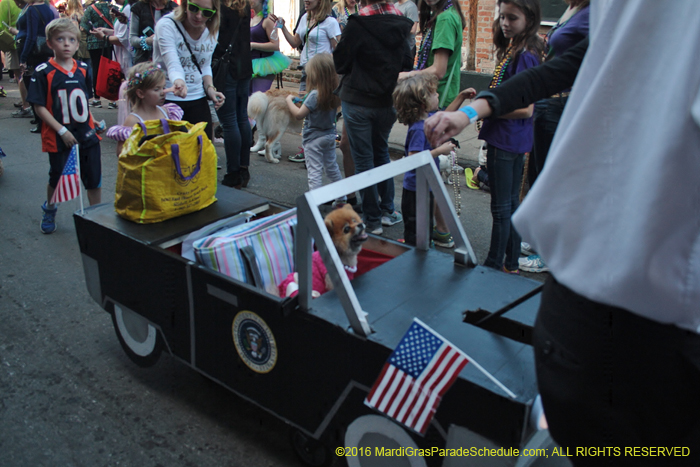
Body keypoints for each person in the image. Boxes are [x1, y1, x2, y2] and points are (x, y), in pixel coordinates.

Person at [426, 1, 700, 460]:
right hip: (616, 311)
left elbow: (569, 66)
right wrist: (473, 111)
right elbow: (575, 63)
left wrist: (474, 111)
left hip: (636, 308)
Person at [517, 0, 588, 274]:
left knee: (551, 180)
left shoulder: (591, 13)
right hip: (547, 101)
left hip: (561, 103)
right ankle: (538, 241)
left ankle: (550, 254)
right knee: (537, 176)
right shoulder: (573, 9)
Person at [332, 0, 412, 236]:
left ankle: (372, 219)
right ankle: (387, 210)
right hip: (388, 100)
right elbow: (407, 62)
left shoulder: (357, 23)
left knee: (364, 159)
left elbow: (340, 62)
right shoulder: (401, 22)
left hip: (358, 99)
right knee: (381, 152)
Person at [478, 0, 543, 273]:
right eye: (502, 16)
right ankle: (511, 262)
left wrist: (489, 110)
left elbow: (526, 109)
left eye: (512, 18)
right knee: (510, 204)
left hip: (508, 139)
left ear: (529, 19)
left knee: (502, 207)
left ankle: (495, 264)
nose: (505, 23)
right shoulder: (515, 48)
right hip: (508, 137)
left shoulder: (524, 54)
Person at [26, 18, 104, 234]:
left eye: (71, 40)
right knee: (58, 175)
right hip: (59, 134)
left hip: (86, 133)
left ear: (78, 44)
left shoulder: (84, 68)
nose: (67, 44)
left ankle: (95, 215)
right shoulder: (43, 72)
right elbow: (39, 107)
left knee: (93, 177)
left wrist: (92, 117)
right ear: (50, 43)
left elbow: (83, 101)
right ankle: (50, 208)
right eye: (60, 39)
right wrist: (61, 130)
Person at [393, 74, 476, 245]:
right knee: (416, 226)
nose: (437, 95)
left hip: (426, 184)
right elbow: (413, 159)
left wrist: (461, 97)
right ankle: (415, 251)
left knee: (424, 224)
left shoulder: (427, 118)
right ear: (423, 104)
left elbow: (447, 114)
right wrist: (439, 151)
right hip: (416, 188)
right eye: (433, 93)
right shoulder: (418, 128)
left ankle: (423, 246)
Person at [270, 0, 340, 163]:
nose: (306, 1)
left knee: (325, 110)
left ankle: (324, 148)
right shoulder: (304, 19)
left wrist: (325, 65)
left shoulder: (330, 22)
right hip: (305, 72)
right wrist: (283, 27)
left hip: (322, 74)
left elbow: (338, 50)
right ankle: (308, 148)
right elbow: (295, 43)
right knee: (306, 109)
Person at [153, 0, 225, 141]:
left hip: (197, 98)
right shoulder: (167, 25)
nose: (198, 16)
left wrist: (210, 88)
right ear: (185, 4)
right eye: (193, 8)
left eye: (206, 12)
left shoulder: (211, 29)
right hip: (168, 97)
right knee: (169, 155)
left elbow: (204, 64)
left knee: (202, 153)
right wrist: (179, 82)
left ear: (213, 14)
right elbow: (172, 62)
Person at [285, 53, 345, 204]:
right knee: (332, 167)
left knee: (314, 171)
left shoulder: (314, 95)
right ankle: (341, 198)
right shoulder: (334, 93)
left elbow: (299, 115)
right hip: (329, 136)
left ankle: (315, 202)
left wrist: (289, 101)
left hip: (313, 140)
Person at [213, 0, 252, 188]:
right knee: (241, 118)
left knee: (229, 121)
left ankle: (233, 173)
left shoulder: (220, 6)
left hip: (227, 66)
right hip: (244, 65)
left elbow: (218, 39)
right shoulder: (243, 5)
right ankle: (243, 169)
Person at [105, 62, 184, 155]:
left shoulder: (167, 112)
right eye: (156, 89)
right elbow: (121, 153)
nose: (162, 92)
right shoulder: (133, 120)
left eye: (163, 87)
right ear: (140, 93)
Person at [12, 0, 55, 120]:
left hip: (31, 50)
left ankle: (39, 119)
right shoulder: (48, 8)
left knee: (31, 84)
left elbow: (31, 35)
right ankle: (43, 117)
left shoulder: (31, 9)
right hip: (43, 49)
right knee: (42, 83)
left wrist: (23, 57)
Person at [80, 0, 116, 108]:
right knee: (111, 69)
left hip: (94, 43)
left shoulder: (90, 9)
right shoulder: (113, 8)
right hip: (110, 41)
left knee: (96, 69)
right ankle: (112, 100)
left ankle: (97, 99)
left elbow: (83, 27)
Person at [249, 0, 289, 94]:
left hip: (264, 64)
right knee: (247, 100)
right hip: (249, 62)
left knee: (258, 98)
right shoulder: (249, 18)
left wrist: (252, 45)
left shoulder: (267, 20)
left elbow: (275, 45)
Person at [129, 0, 177, 65]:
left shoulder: (174, 8)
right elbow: (132, 39)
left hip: (169, 61)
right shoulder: (138, 7)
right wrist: (146, 41)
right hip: (144, 63)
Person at [0, 0, 23, 89]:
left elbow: (1, 25)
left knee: (19, 75)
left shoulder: (6, 2)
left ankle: (25, 101)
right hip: (28, 41)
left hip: (12, 42)